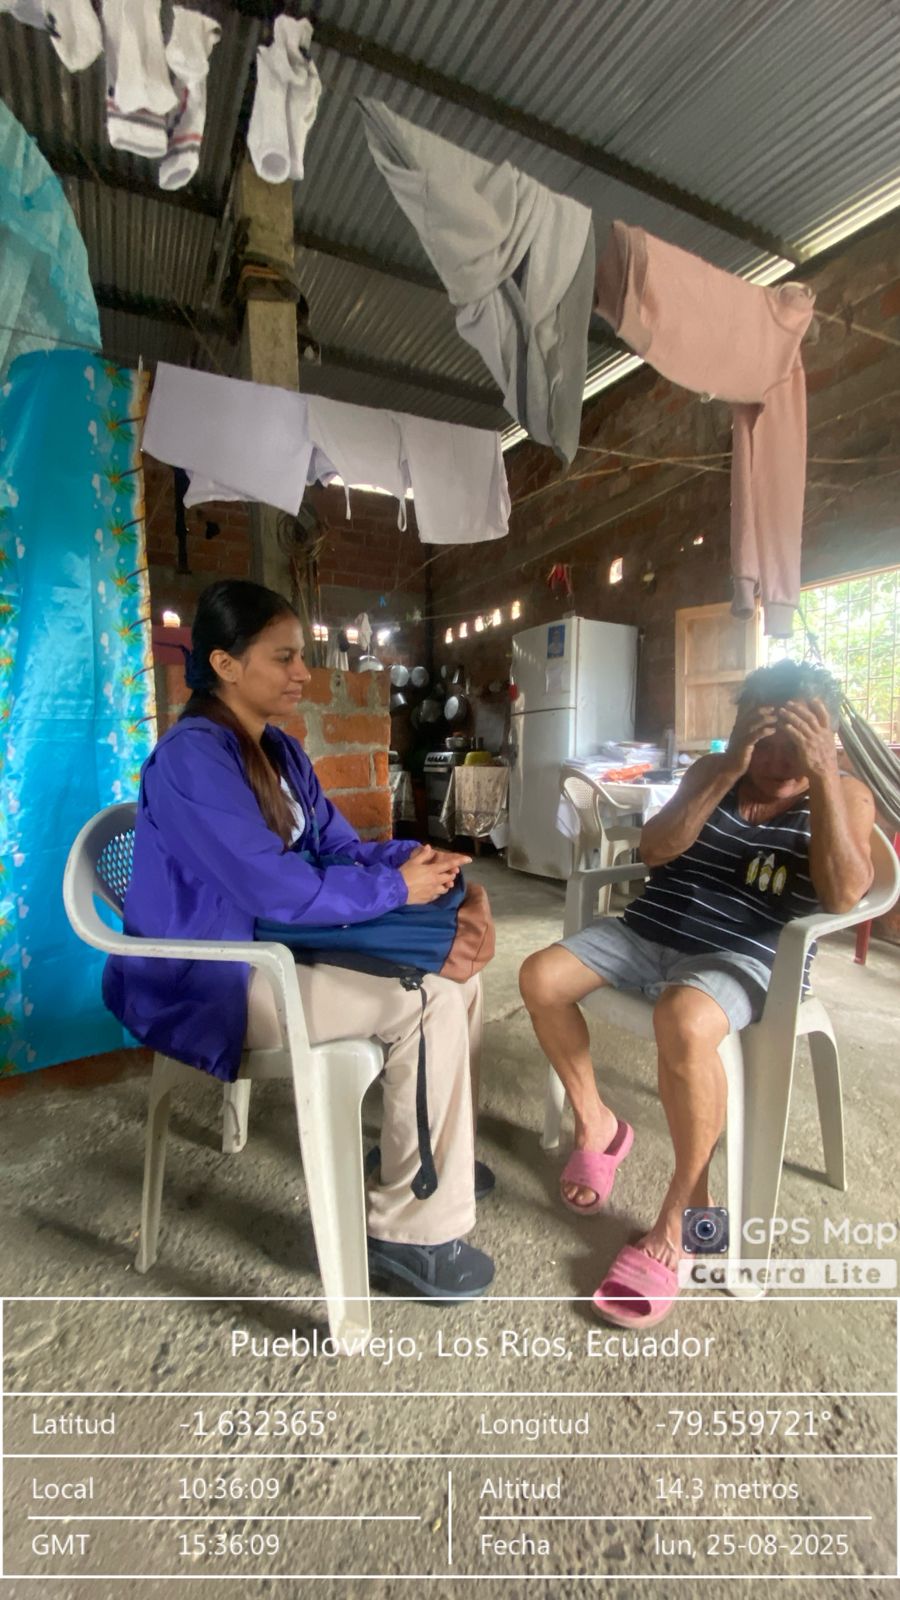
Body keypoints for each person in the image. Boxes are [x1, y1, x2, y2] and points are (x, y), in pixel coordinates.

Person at [103, 579, 494, 1301]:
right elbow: (272, 887)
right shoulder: (192, 759)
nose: (302, 673)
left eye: (300, 656)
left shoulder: (277, 750)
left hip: (270, 949)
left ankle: (432, 1158)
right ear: (225, 665)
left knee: (460, 976)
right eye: (283, 657)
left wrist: (412, 861)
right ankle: (407, 1234)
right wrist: (395, 890)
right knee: (428, 998)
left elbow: (337, 850)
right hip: (211, 976)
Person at [519, 661, 874, 1327]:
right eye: (764, 740)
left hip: (747, 954)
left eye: (795, 742)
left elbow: (844, 894)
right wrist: (725, 769)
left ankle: (686, 1216)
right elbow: (656, 851)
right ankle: (598, 1124)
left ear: (825, 737)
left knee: (681, 1021)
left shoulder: (844, 793)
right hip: (650, 931)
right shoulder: (715, 771)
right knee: (540, 977)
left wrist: (825, 776)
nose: (778, 759)